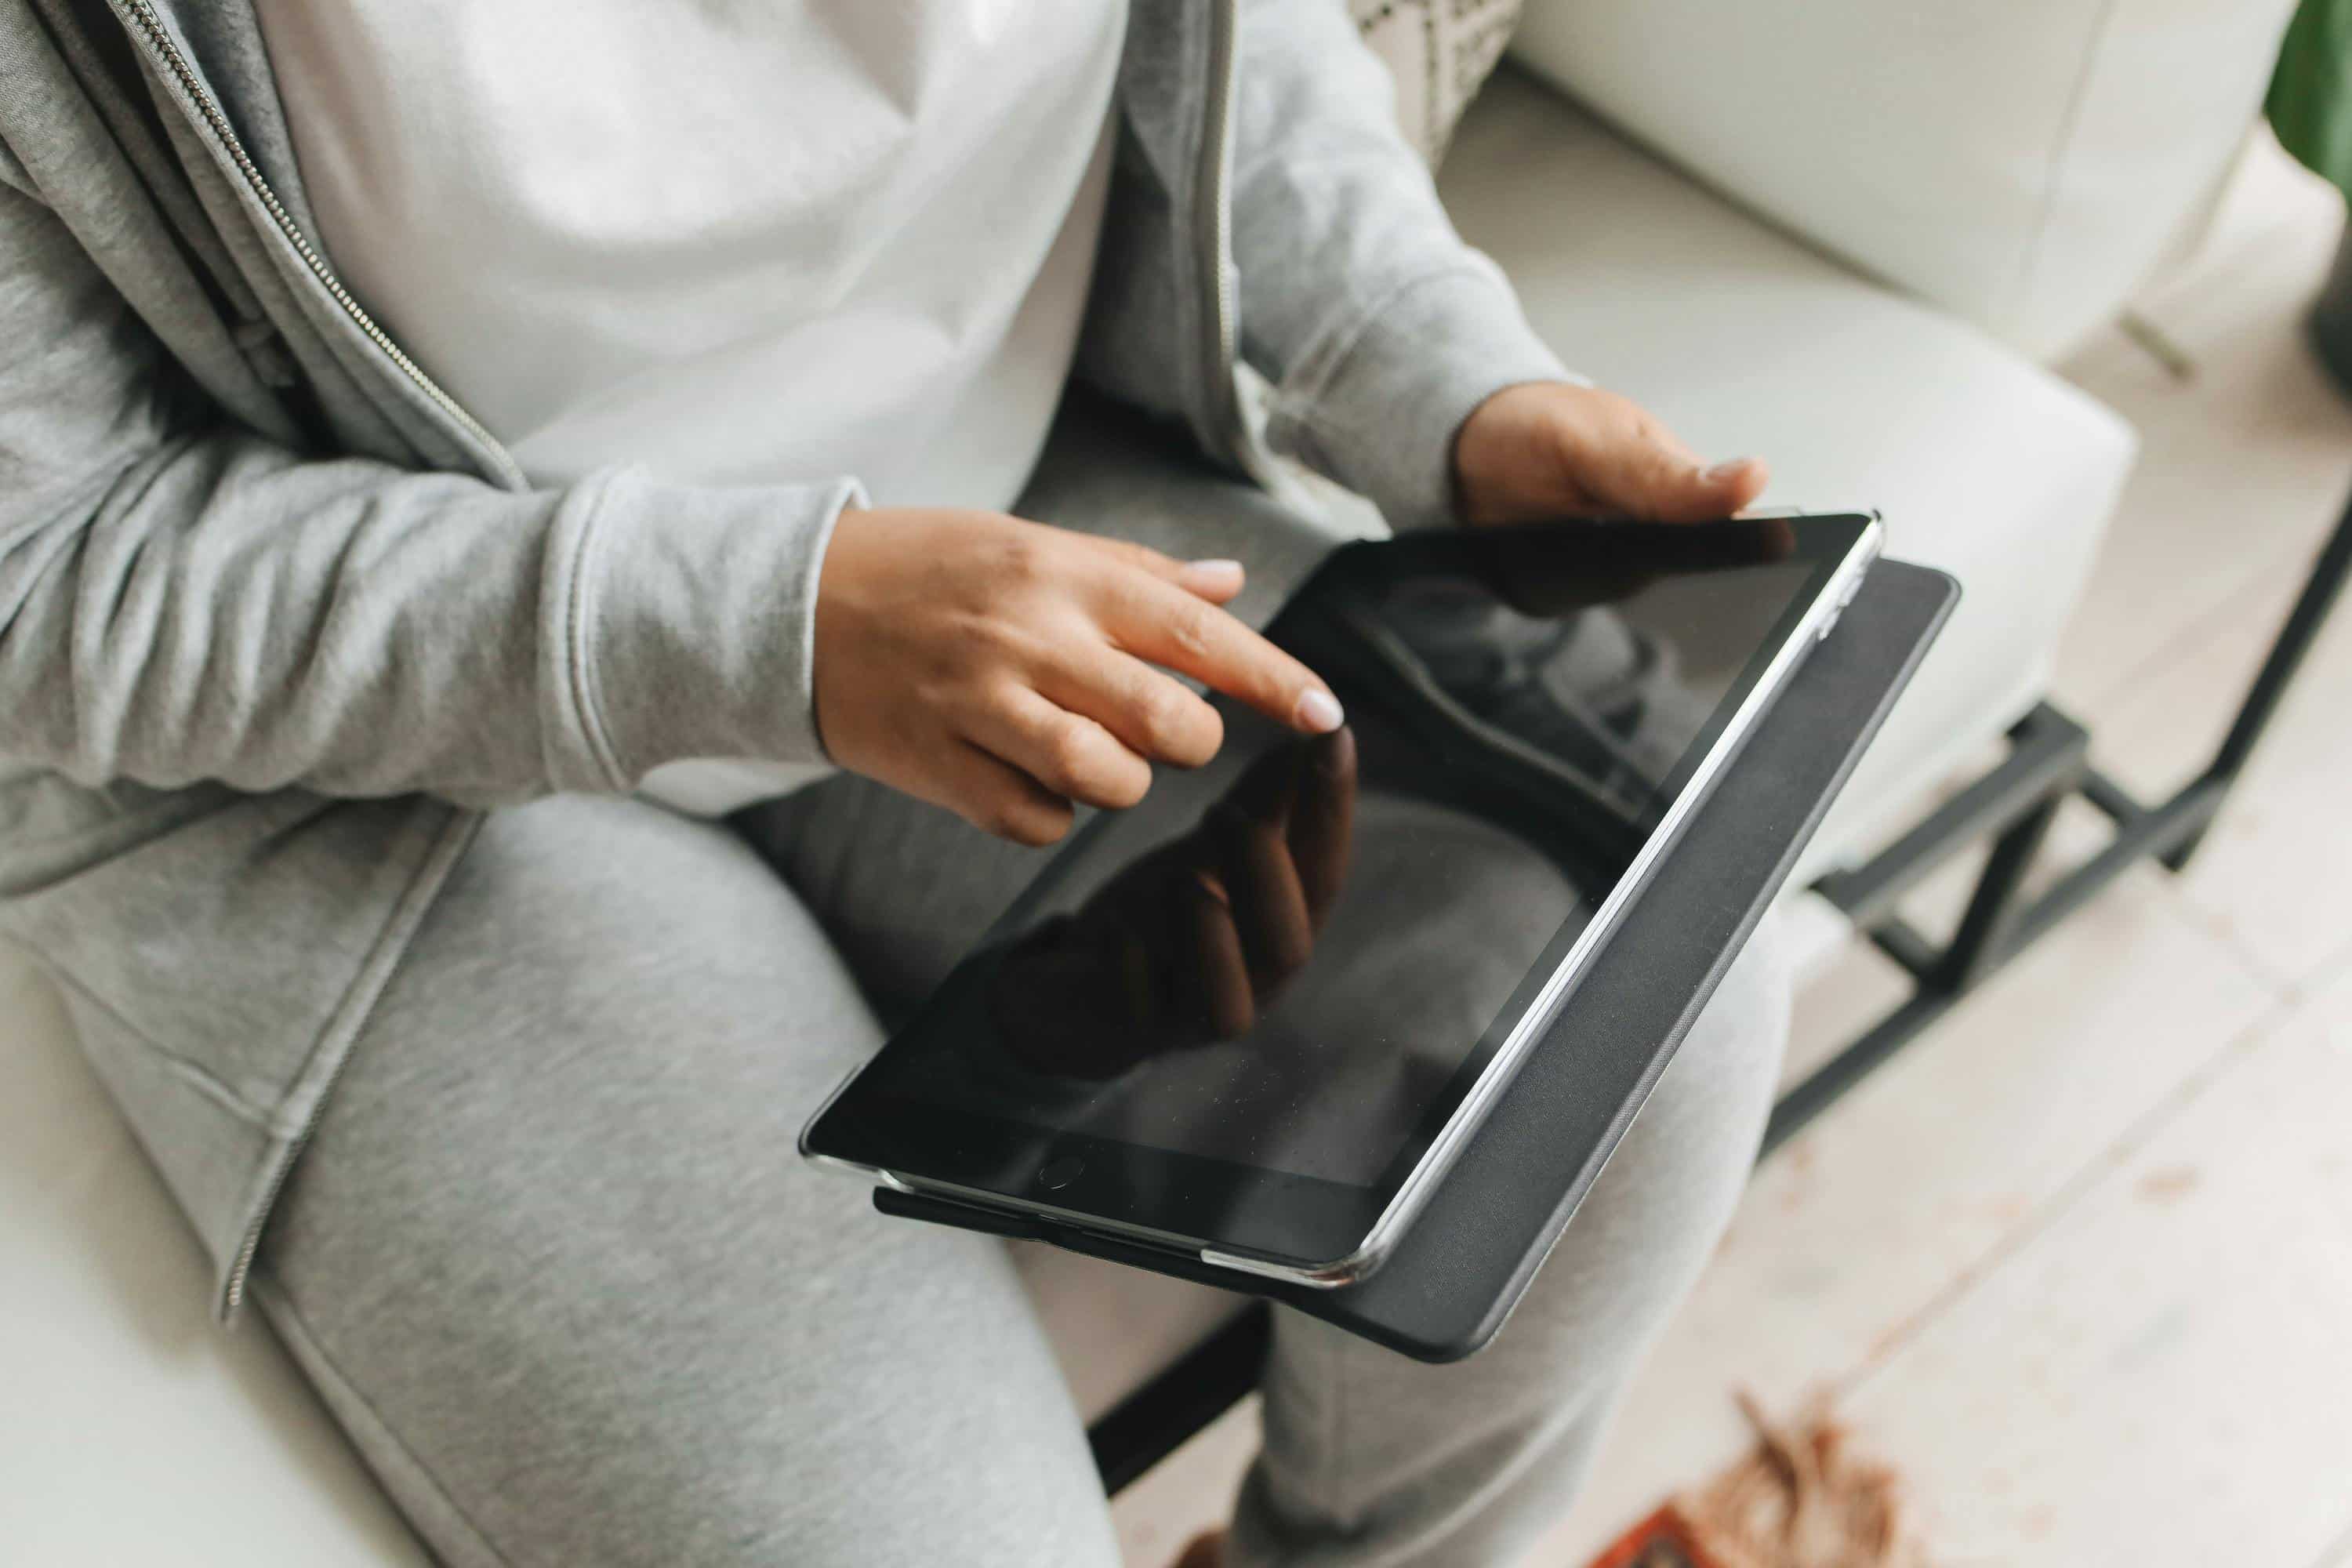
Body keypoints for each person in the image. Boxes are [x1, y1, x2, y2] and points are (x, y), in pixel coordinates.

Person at [0, 4, 1787, 1564]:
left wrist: (1432, 373)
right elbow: (50, 565)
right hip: (366, 785)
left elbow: (1220, 36)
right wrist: (773, 630)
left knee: (1649, 1012)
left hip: (1017, 507)